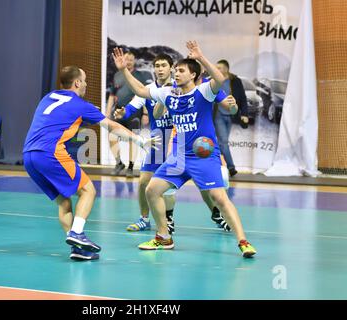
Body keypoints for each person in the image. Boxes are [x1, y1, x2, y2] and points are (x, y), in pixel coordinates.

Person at [112, 42, 257, 258]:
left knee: (219, 197)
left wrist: (201, 56)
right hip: (178, 157)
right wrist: (124, 70)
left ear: (193, 74)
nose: (175, 73)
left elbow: (220, 79)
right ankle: (164, 237)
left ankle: (243, 241)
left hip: (204, 156)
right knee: (151, 189)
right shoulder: (168, 94)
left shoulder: (204, 92)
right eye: (175, 70)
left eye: (180, 70)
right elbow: (141, 90)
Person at [23, 66, 159, 261]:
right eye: (84, 80)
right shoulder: (80, 104)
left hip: (29, 156)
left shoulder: (49, 97)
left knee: (64, 202)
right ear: (77, 83)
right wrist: (140, 140)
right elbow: (111, 126)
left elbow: (59, 120)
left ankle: (78, 249)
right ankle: (77, 233)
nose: (86, 84)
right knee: (88, 190)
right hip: (50, 153)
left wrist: (84, 116)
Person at [117, 54, 233, 234]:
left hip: (181, 142)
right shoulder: (156, 91)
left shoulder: (188, 87)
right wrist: (123, 114)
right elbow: (137, 108)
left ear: (171, 69)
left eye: (164, 65)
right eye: (156, 65)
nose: (159, 69)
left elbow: (221, 99)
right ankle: (147, 218)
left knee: (203, 186)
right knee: (145, 182)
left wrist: (231, 106)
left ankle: (215, 214)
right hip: (158, 141)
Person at [106, 51, 152, 177]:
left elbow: (145, 95)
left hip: (134, 114)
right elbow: (112, 95)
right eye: (127, 59)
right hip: (118, 113)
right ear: (123, 60)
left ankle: (131, 167)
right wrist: (107, 112)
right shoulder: (117, 75)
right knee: (112, 137)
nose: (129, 62)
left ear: (134, 61)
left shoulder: (140, 76)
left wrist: (145, 114)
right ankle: (119, 163)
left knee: (133, 139)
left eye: (131, 60)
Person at [214, 59, 249, 177]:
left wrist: (244, 114)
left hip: (231, 115)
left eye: (219, 68)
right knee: (223, 142)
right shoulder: (214, 81)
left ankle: (217, 166)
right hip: (218, 114)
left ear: (226, 69)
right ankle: (231, 167)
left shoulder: (235, 81)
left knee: (222, 143)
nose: (217, 70)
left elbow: (243, 98)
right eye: (216, 68)